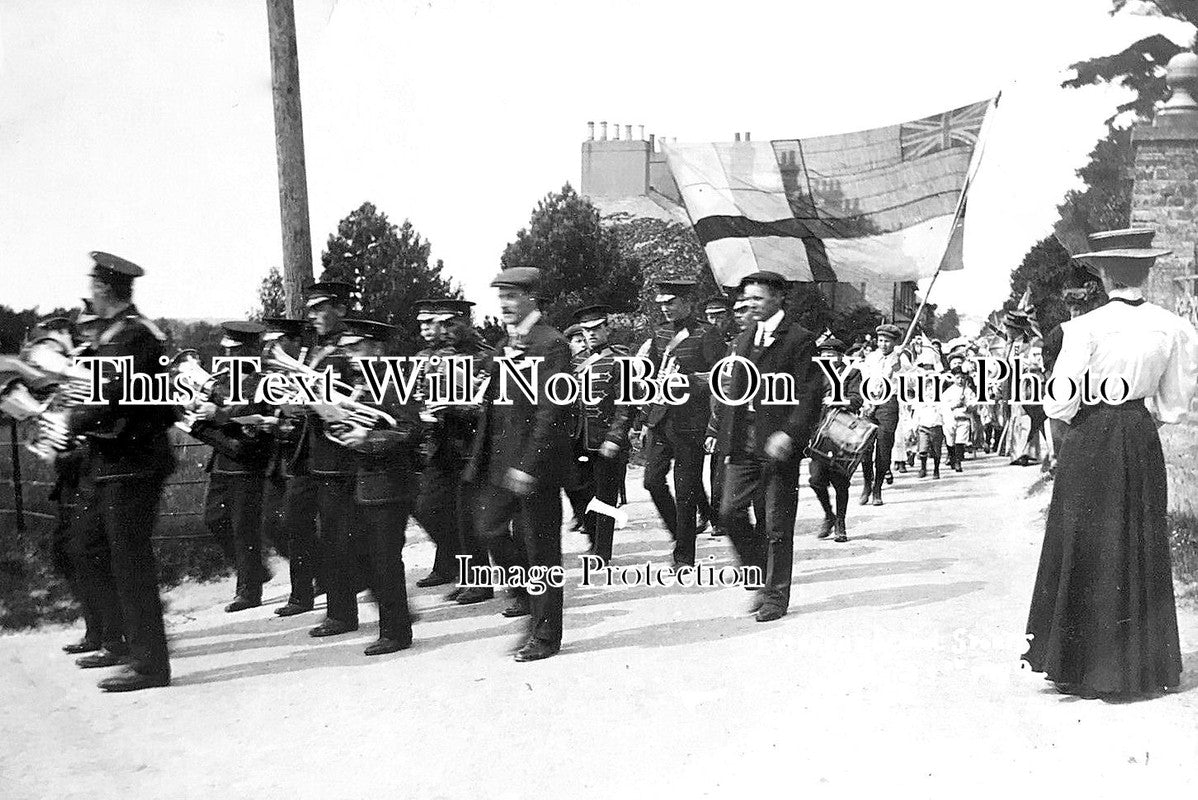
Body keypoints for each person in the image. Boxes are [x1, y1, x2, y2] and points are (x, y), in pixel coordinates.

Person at [1025, 231, 1198, 699]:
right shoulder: (1175, 328)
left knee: (1085, 536)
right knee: (1139, 536)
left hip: (1090, 436)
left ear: (1102, 273)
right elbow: (1176, 403)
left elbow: (1059, 404)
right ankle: (1141, 665)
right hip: (1139, 433)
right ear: (1148, 272)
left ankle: (1079, 663)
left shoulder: (1083, 328)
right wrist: (1142, 420)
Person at [68, 252, 176, 692]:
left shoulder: (134, 336)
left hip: (132, 464)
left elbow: (108, 397)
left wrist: (68, 419)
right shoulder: (116, 335)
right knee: (88, 548)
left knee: (130, 563)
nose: (90, 291)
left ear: (105, 289)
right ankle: (118, 640)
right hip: (110, 463)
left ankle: (150, 664)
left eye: (93, 284)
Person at [464, 267, 573, 662]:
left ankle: (545, 636)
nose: (505, 305)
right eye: (501, 298)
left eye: (511, 297)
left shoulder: (551, 343)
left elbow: (551, 412)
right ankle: (529, 596)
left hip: (533, 466)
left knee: (542, 550)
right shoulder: (506, 343)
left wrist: (530, 465)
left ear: (531, 298)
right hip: (498, 463)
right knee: (488, 530)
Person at [706, 271, 822, 622]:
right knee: (728, 513)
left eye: (757, 299)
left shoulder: (800, 339)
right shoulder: (743, 339)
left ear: (777, 299)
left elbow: (811, 393)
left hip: (777, 444)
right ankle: (757, 573)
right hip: (742, 442)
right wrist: (720, 432)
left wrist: (790, 433)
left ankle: (775, 597)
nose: (749, 305)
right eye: (746, 299)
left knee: (776, 524)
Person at [325, 318, 423, 655]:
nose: (348, 354)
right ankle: (399, 617)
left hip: (390, 483)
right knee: (365, 557)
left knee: (384, 559)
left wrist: (367, 437)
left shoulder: (395, 382)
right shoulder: (361, 384)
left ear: (378, 348)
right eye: (346, 348)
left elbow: (409, 431)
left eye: (356, 347)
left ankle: (396, 632)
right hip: (363, 482)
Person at [612, 279, 724, 568]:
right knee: (651, 482)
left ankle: (684, 555)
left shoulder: (706, 334)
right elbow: (649, 376)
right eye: (662, 303)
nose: (665, 308)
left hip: (691, 423)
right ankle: (680, 532)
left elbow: (720, 379)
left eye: (671, 302)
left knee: (686, 489)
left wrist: (685, 382)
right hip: (660, 419)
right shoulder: (659, 333)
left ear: (687, 303)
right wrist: (642, 415)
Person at [291, 280, 364, 638]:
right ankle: (376, 603)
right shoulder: (315, 350)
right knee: (334, 533)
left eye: (321, 308)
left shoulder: (351, 348)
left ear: (342, 310)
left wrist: (326, 403)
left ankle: (342, 613)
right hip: (318, 453)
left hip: (342, 453)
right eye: (311, 309)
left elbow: (362, 399)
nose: (314, 315)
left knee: (339, 535)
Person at [192, 321, 273, 612]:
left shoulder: (261, 378)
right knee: (214, 518)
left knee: (244, 527)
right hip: (223, 459)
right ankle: (255, 570)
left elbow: (255, 408)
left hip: (247, 459)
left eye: (236, 350)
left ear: (251, 349)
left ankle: (249, 590)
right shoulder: (224, 376)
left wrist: (220, 412)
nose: (230, 356)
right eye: (228, 350)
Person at [564, 305, 628, 563]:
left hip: (604, 438)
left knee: (604, 495)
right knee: (576, 488)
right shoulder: (576, 362)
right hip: (577, 437)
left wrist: (614, 438)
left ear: (606, 329)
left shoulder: (619, 360)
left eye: (594, 329)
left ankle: (602, 550)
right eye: (585, 331)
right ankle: (592, 536)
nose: (590, 335)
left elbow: (625, 404)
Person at [411, 299, 461, 589]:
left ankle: (449, 565)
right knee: (427, 507)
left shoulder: (458, 355)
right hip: (432, 441)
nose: (427, 329)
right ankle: (449, 560)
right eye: (423, 324)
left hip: (457, 438)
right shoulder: (421, 356)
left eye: (431, 323)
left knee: (455, 508)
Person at [807, 336, 863, 542]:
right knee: (815, 479)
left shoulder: (852, 374)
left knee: (840, 481)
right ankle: (828, 515)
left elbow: (858, 399)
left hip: (841, 432)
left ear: (840, 357)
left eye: (831, 355)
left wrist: (839, 400)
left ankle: (840, 523)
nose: (827, 359)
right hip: (819, 433)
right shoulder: (815, 376)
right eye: (823, 355)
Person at [857, 323, 909, 505]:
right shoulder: (871, 358)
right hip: (870, 403)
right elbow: (864, 380)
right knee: (865, 447)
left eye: (887, 341)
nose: (883, 344)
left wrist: (899, 369)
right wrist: (867, 402)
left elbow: (910, 385)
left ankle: (877, 488)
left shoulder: (901, 359)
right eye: (880, 340)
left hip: (889, 404)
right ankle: (866, 484)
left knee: (884, 448)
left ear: (895, 342)